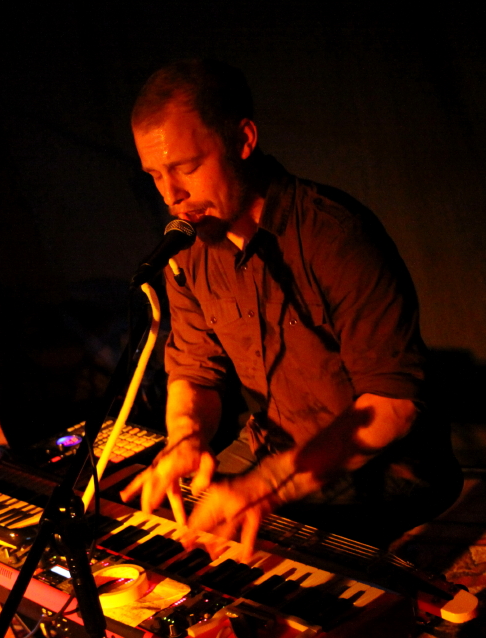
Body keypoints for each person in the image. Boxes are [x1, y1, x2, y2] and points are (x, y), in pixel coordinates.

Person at [120, 59, 462, 556]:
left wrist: (265, 486)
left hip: (382, 467)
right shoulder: (189, 248)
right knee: (165, 537)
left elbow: (394, 406)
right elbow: (194, 370)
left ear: (243, 140)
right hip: (273, 450)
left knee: (253, 552)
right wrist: (185, 439)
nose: (172, 196)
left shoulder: (335, 236)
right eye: (155, 176)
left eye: (187, 168)